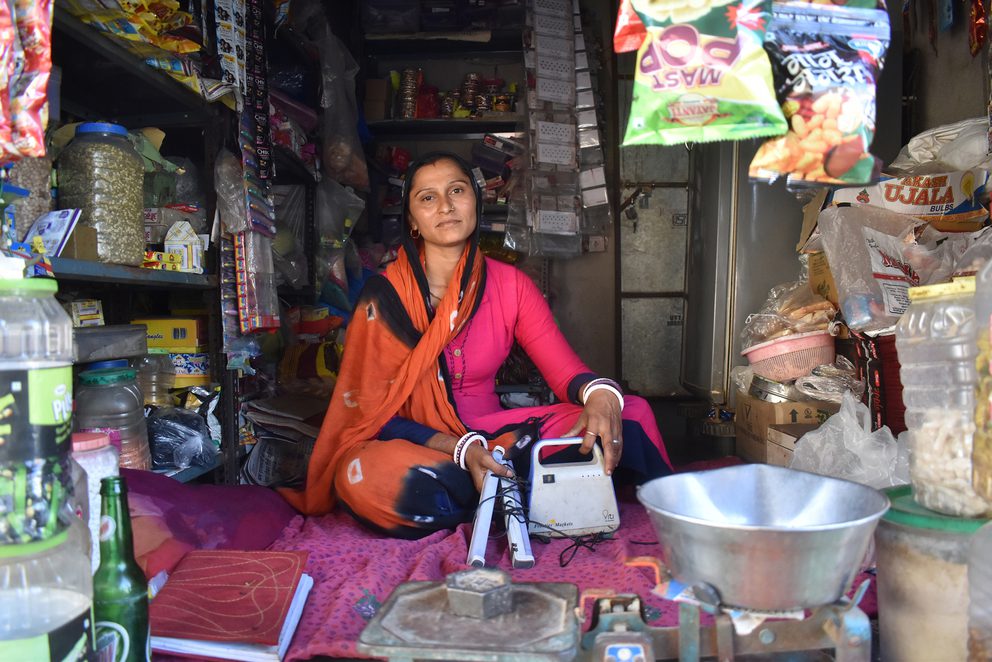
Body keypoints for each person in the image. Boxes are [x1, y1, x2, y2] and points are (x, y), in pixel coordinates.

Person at [281, 152, 672, 538]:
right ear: (413, 220)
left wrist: (601, 395)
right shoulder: (383, 297)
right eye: (428, 198)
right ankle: (526, 494)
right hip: (422, 445)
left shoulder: (512, 286)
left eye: (457, 190)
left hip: (501, 438)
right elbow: (371, 413)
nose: (446, 206)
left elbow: (564, 372)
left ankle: (492, 495)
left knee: (630, 412)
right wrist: (459, 448)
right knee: (366, 477)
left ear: (476, 202)